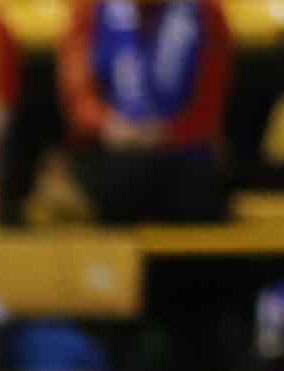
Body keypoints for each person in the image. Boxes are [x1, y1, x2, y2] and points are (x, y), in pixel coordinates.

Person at [61, 0, 230, 226]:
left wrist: (166, 134)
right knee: (121, 178)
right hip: (113, 153)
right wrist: (110, 126)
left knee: (197, 184)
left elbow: (210, 104)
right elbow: (78, 99)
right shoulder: (92, 10)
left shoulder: (205, 12)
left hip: (182, 155)